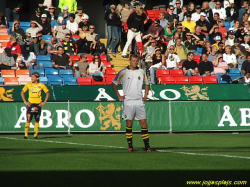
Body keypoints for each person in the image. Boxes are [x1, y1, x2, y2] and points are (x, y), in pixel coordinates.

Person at [111, 54, 153, 152]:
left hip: (139, 101)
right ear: (129, 61)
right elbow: (114, 83)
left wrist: (145, 95)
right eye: (133, 60)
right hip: (128, 101)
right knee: (129, 123)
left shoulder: (141, 72)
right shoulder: (123, 72)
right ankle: (130, 146)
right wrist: (119, 96)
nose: (135, 62)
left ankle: (147, 146)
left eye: (136, 61)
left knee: (144, 124)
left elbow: (147, 84)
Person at [21, 72, 50, 139]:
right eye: (32, 77)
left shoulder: (41, 85)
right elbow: (22, 92)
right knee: (28, 119)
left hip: (38, 105)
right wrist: (25, 101)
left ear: (37, 78)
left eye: (33, 77)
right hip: (30, 104)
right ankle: (26, 135)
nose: (32, 78)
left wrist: (44, 102)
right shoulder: (28, 85)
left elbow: (47, 93)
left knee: (37, 120)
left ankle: (35, 135)